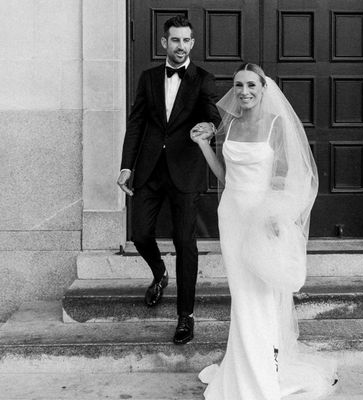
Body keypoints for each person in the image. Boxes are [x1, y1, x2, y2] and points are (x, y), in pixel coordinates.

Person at [191, 63, 337, 399]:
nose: (244, 92)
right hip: (232, 215)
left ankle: (261, 374)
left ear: (263, 88)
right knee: (241, 295)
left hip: (262, 217)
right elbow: (226, 177)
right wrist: (202, 145)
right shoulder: (229, 124)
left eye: (251, 86)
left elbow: (288, 175)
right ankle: (242, 367)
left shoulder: (276, 124)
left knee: (259, 296)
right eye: (239, 85)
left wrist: (275, 216)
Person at [117, 15, 221, 345]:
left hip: (185, 170)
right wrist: (126, 166)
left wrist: (211, 127)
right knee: (141, 234)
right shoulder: (148, 78)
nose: (181, 46)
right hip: (148, 169)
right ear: (165, 43)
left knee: (185, 242)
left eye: (186, 41)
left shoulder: (203, 78)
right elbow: (135, 124)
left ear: (192, 43)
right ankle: (160, 273)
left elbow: (211, 113)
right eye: (175, 40)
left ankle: (185, 316)